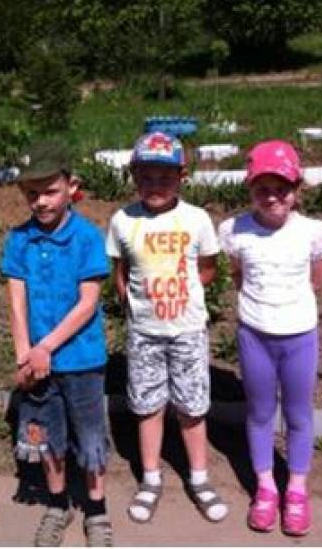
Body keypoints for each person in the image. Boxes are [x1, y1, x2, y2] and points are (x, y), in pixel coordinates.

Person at [105, 131, 229, 525]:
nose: (154, 185)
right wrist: (135, 304)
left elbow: (207, 268)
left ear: (181, 176)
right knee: (148, 406)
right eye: (145, 177)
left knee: (192, 407)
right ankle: (151, 478)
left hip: (187, 329)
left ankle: (199, 478)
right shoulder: (123, 220)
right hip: (144, 333)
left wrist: (179, 296)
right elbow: (120, 271)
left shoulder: (196, 219)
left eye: (164, 177)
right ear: (133, 177)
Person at [218, 140, 322, 537]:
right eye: (262, 189)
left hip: (299, 336)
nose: (272, 197)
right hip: (255, 336)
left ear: (296, 190)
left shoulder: (312, 233)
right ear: (250, 189)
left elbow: (318, 277)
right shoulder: (236, 231)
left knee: (299, 414)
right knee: (259, 413)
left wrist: (291, 308)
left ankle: (297, 490)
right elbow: (238, 275)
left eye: (281, 188)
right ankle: (266, 487)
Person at [0, 141, 113, 547]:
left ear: (71, 187)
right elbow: (16, 303)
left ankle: (97, 511)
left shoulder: (87, 237)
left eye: (50, 191)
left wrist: (45, 346)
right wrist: (24, 356)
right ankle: (57, 504)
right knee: (47, 435)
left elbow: (87, 304)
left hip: (81, 360)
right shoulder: (19, 240)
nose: (41, 201)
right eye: (32, 193)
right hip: (37, 363)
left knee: (90, 437)